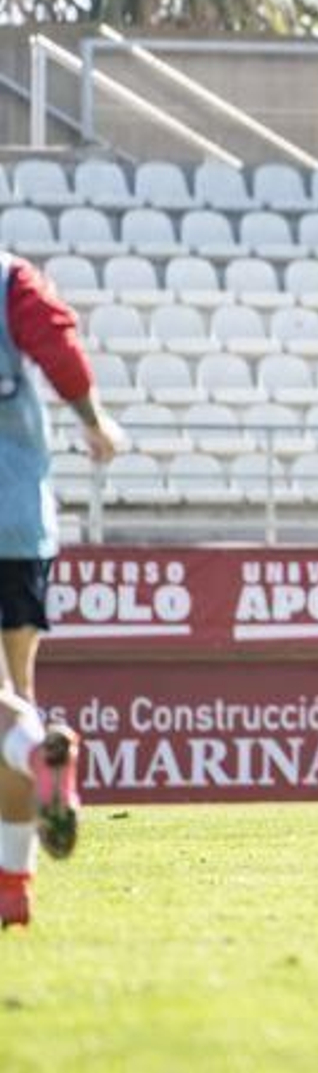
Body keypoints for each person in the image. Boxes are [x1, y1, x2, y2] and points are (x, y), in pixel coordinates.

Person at [0, 252, 124, 928]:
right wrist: (94, 420)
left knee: (3, 715)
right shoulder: (11, 279)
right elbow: (57, 344)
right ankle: (14, 887)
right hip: (18, 520)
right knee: (16, 696)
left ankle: (31, 757)